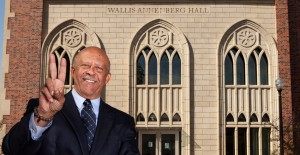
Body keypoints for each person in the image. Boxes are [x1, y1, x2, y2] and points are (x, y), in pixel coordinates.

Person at [2, 46, 140, 155]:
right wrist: (43, 117)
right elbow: (11, 149)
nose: (91, 72)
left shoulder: (122, 122)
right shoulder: (42, 110)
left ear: (107, 78)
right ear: (73, 71)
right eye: (85, 65)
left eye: (98, 68)